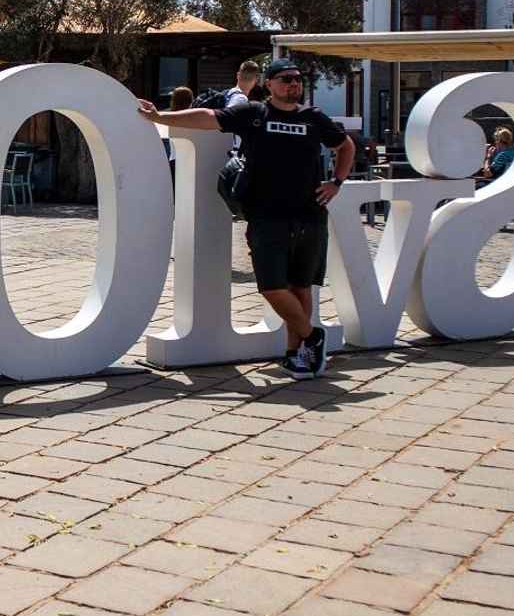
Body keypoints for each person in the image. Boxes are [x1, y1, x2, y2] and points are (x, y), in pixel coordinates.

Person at [136, 58, 355, 380]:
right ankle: (312, 334)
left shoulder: (314, 118)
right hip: (266, 215)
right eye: (285, 79)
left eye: (297, 79)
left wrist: (336, 182)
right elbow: (208, 117)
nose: (293, 84)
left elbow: (345, 146)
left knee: (301, 286)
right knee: (272, 286)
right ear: (269, 84)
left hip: (310, 215)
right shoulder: (253, 114)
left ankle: (297, 354)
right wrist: (159, 116)